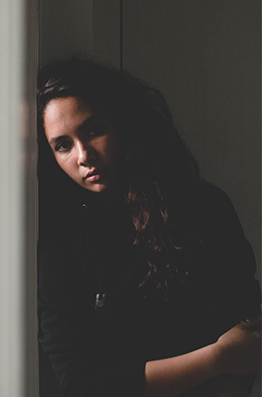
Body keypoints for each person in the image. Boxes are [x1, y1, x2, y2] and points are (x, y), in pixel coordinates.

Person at [36, 57, 262, 397]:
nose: (83, 155)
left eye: (94, 130)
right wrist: (217, 357)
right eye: (63, 145)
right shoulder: (57, 242)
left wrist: (229, 364)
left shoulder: (205, 207)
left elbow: (247, 338)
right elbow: (81, 383)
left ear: (124, 121)